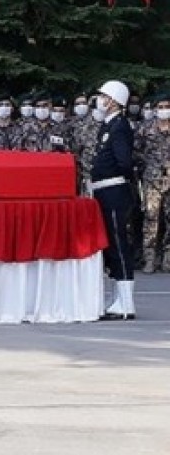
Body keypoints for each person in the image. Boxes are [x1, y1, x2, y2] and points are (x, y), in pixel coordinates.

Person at [89, 80, 137, 320]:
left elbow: (124, 162)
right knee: (110, 246)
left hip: (114, 190)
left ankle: (127, 303)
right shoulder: (107, 125)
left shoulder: (119, 126)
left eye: (103, 96)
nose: (99, 100)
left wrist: (118, 179)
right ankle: (117, 297)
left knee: (118, 244)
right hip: (102, 190)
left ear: (114, 101)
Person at [135, 93, 170, 273]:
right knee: (151, 218)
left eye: (167, 107)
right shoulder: (145, 128)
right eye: (161, 107)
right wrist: (148, 167)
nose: (164, 111)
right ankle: (149, 258)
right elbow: (136, 151)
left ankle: (167, 258)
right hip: (152, 180)